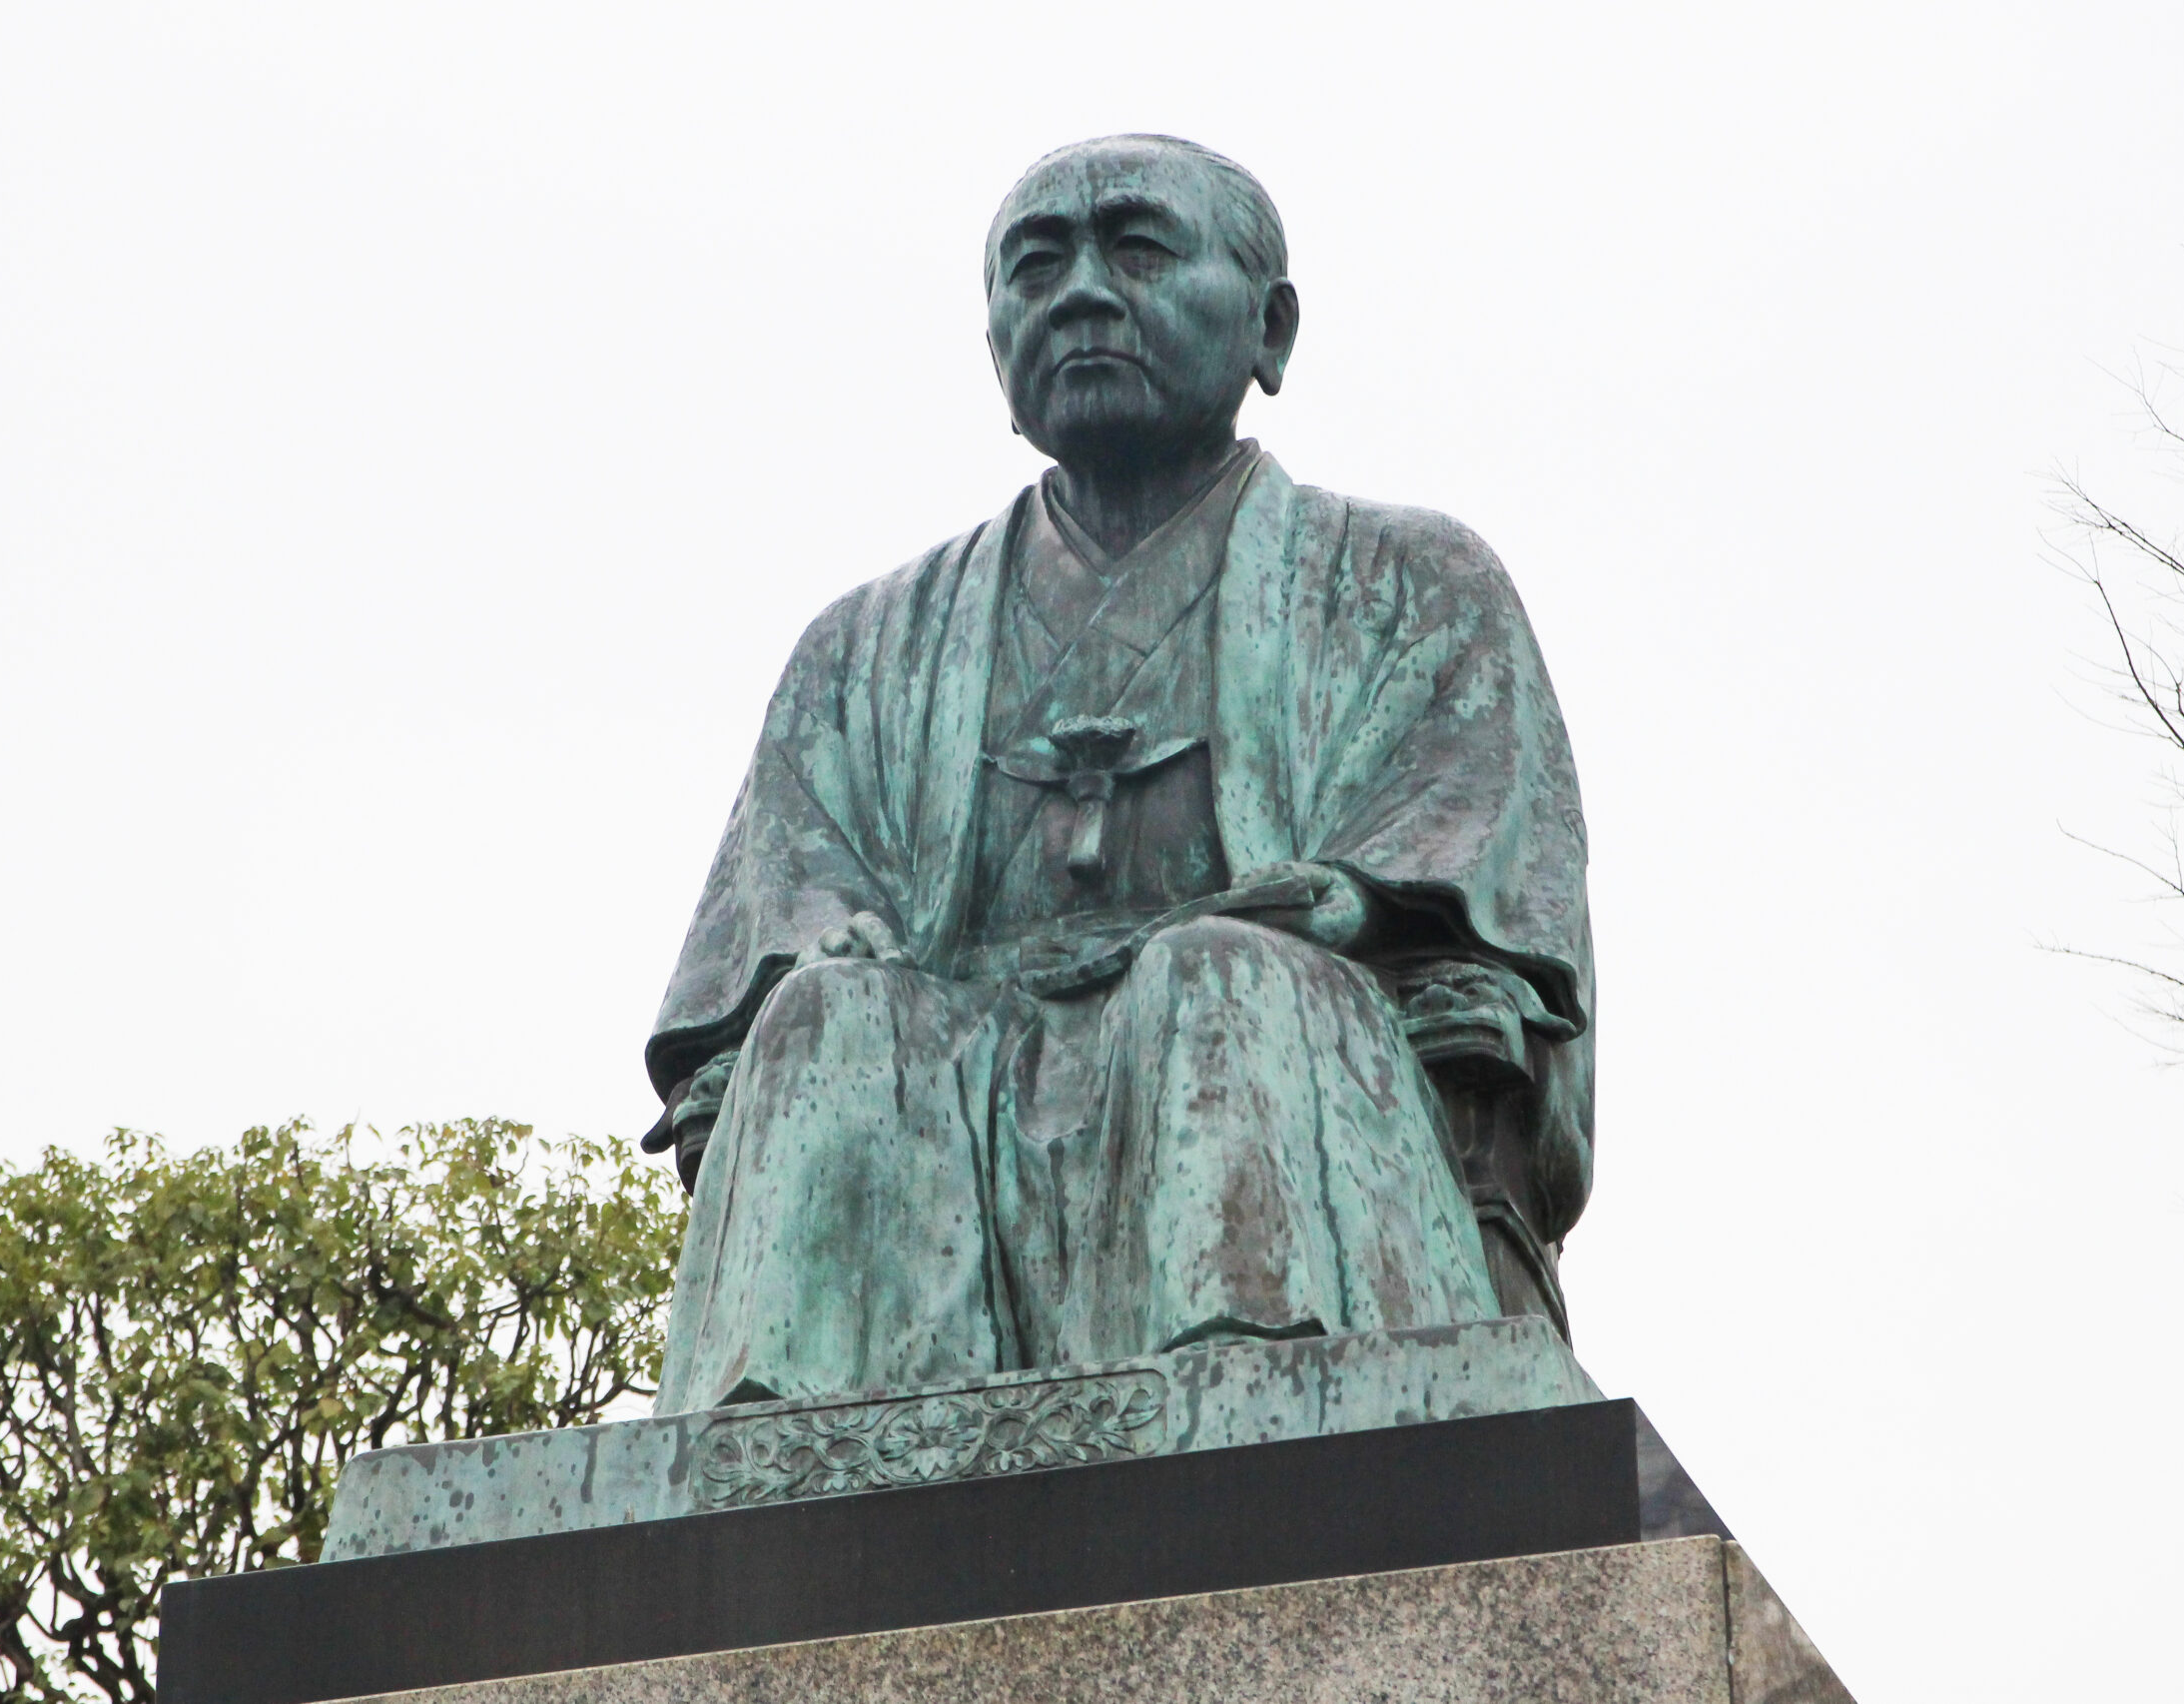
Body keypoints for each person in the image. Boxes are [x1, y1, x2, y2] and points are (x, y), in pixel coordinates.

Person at [642, 135, 1595, 1415]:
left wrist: (1345, 900)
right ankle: (799, 1459)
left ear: (1271, 327)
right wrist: (831, 948)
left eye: (1137, 250)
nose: (1081, 291)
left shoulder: (1410, 582)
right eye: (1035, 266)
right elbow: (784, 908)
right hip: (949, 1060)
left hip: (1264, 1036)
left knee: (1211, 976)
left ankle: (1261, 1405)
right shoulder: (865, 648)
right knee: (831, 1025)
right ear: (995, 342)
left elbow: (1475, 885)